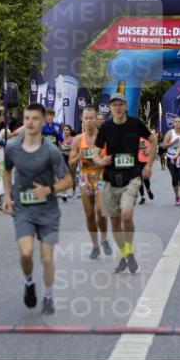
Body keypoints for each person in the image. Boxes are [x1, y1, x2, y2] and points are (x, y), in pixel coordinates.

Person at [2, 103, 73, 315]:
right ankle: (29, 282)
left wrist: (49, 189)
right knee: (26, 253)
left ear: (43, 121)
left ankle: (48, 296)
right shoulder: (12, 148)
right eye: (27, 118)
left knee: (47, 258)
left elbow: (68, 180)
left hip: (48, 211)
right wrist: (7, 196)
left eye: (35, 118)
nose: (30, 122)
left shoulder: (51, 151)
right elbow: (6, 171)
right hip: (23, 210)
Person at [95, 93, 157, 274]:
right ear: (110, 108)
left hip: (131, 177)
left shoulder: (136, 124)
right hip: (110, 178)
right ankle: (126, 255)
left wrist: (149, 164)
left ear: (126, 106)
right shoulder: (105, 127)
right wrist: (101, 160)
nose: (117, 107)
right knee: (114, 221)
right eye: (114, 105)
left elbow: (153, 140)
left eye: (120, 104)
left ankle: (127, 252)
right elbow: (95, 153)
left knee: (126, 216)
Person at [69, 107, 113, 259]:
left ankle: (104, 239)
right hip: (85, 178)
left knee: (100, 211)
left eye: (91, 118)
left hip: (101, 176)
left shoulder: (104, 138)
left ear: (96, 119)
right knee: (89, 215)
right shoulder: (77, 140)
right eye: (86, 118)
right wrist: (78, 157)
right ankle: (95, 246)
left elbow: (112, 157)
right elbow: (70, 164)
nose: (89, 121)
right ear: (82, 120)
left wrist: (106, 160)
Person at [162, 116, 180, 206]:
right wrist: (173, 143)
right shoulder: (170, 133)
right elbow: (163, 145)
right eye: (175, 122)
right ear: (173, 124)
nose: (177, 123)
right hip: (171, 158)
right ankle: (177, 196)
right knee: (175, 178)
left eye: (179, 121)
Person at [60, 124, 76, 200]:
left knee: (72, 176)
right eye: (64, 130)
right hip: (64, 157)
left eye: (67, 130)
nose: (65, 131)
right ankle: (64, 194)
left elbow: (74, 148)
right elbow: (60, 148)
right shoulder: (62, 139)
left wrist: (68, 146)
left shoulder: (73, 139)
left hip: (71, 158)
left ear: (70, 131)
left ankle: (74, 192)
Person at [137, 135, 154, 204]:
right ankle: (142, 197)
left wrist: (148, 152)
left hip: (146, 161)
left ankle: (148, 190)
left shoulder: (148, 138)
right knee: (139, 180)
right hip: (137, 161)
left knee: (146, 179)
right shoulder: (135, 137)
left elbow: (153, 148)